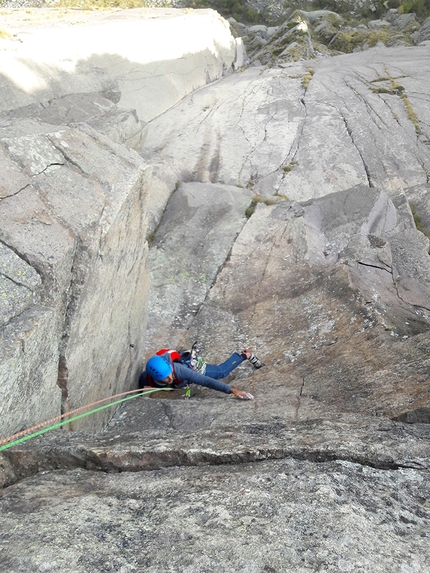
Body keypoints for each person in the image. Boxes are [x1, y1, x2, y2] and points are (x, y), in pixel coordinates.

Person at [139, 349, 264, 400]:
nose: (169, 378)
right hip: (181, 380)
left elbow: (205, 381)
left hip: (193, 369)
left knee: (222, 371)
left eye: (169, 374)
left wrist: (232, 390)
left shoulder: (179, 370)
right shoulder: (148, 378)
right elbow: (141, 381)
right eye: (165, 378)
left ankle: (245, 354)